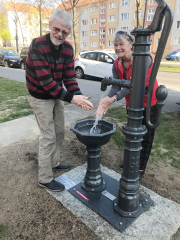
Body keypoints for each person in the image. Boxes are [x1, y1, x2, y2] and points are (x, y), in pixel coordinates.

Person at [26, 10, 93, 192]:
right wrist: (73, 99)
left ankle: (54, 163)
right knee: (48, 136)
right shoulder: (37, 45)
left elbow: (69, 78)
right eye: (57, 29)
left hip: (57, 95)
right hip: (40, 96)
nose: (60, 34)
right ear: (50, 25)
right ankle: (45, 178)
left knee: (59, 132)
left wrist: (78, 96)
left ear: (69, 32)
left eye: (65, 32)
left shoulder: (68, 49)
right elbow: (46, 83)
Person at [96, 30, 159, 180]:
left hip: (149, 103)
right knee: (131, 133)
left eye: (121, 44)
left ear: (131, 45)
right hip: (132, 103)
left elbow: (134, 84)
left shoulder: (143, 59)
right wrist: (107, 99)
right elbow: (117, 85)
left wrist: (114, 98)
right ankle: (130, 161)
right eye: (115, 44)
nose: (117, 47)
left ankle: (140, 167)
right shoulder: (117, 63)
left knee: (146, 136)